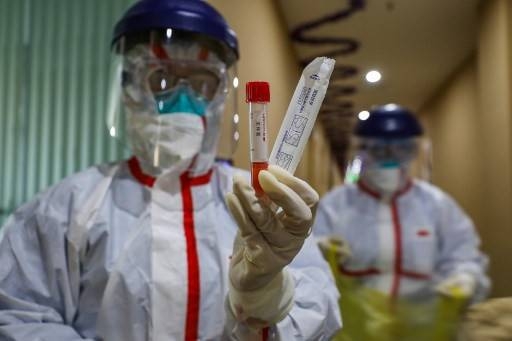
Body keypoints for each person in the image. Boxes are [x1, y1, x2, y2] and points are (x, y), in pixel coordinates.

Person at [0, 0, 341, 339]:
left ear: (221, 94)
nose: (182, 97)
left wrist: (268, 298)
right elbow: (18, 312)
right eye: (160, 78)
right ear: (129, 86)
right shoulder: (70, 205)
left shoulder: (257, 203)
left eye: (201, 82)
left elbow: (319, 308)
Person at [314, 104, 489, 340]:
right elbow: (306, 265)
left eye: (401, 149)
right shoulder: (335, 206)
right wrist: (319, 252)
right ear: (362, 151)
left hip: (425, 328)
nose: (390, 159)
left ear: (414, 151)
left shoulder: (437, 205)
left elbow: (464, 255)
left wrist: (465, 277)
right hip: (354, 330)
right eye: (379, 150)